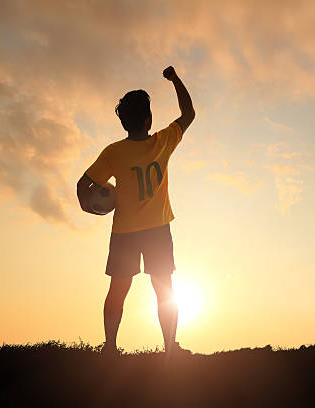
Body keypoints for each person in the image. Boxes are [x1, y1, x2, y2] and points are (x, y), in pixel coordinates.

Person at [76, 66, 195, 357]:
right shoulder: (163, 141)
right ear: (148, 118)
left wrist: (89, 207)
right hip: (156, 229)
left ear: (124, 123)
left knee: (118, 289)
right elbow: (189, 113)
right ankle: (169, 348)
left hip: (124, 232)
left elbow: (83, 184)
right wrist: (175, 79)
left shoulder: (113, 152)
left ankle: (109, 348)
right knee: (164, 289)